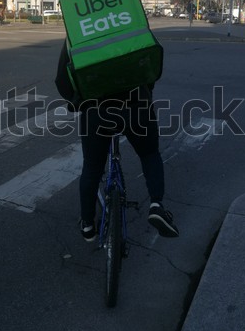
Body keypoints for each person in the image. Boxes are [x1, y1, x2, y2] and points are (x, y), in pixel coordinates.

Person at [55, 42, 178, 242]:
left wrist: (76, 102)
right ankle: (156, 205)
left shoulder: (76, 31)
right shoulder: (128, 21)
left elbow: (62, 80)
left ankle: (87, 224)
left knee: (92, 167)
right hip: (136, 104)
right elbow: (153, 63)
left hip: (96, 109)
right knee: (149, 154)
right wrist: (145, 91)